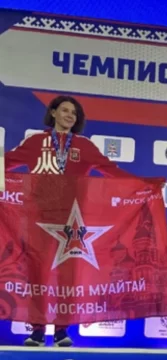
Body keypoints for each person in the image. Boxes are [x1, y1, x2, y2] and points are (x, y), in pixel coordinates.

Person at [4, 95, 132, 347]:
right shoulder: (35, 142)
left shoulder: (84, 146)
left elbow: (111, 171)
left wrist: (144, 184)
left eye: (74, 113)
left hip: (73, 222)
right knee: (38, 275)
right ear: (53, 113)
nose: (70, 116)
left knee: (67, 277)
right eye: (65, 110)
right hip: (38, 220)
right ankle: (37, 330)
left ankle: (62, 331)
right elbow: (5, 163)